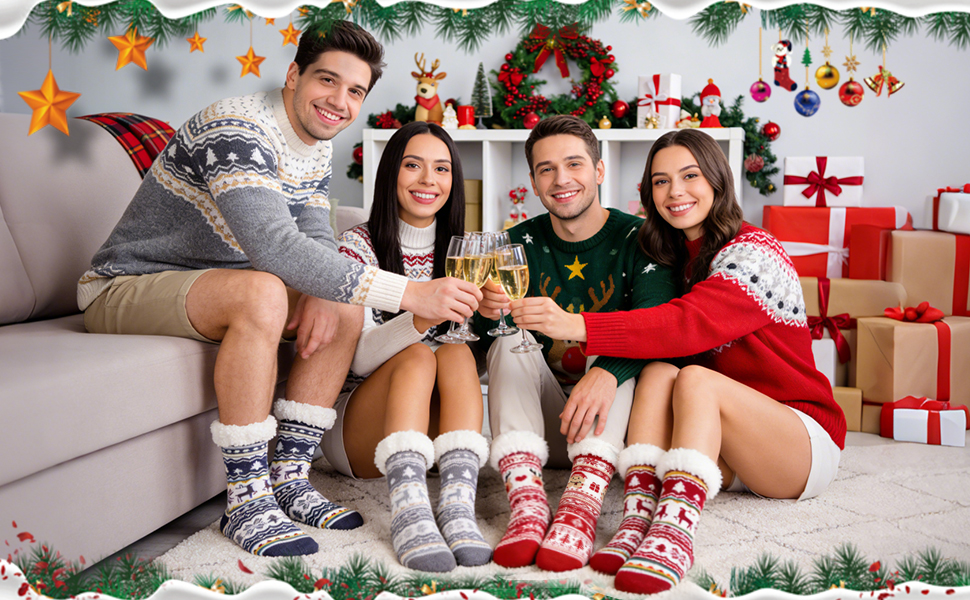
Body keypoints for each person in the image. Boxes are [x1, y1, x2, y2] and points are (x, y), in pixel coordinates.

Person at [77, 23, 482, 558]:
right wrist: (410, 294)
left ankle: (289, 476)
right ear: (294, 75)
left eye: (355, 92)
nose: (339, 102)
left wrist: (327, 287)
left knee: (338, 293)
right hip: (128, 284)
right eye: (327, 81)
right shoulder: (236, 128)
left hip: (216, 282)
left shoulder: (312, 144)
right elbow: (272, 247)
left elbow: (312, 239)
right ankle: (246, 498)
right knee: (265, 291)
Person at [510, 128, 845, 594]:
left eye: (690, 176)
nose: (675, 192)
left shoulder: (754, 252)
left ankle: (675, 533)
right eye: (661, 181)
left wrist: (577, 326)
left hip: (797, 439)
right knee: (663, 370)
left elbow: (686, 324)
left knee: (694, 380)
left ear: (717, 181)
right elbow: (663, 344)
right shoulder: (673, 255)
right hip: (721, 449)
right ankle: (639, 516)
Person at [475, 115, 677, 572]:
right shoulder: (514, 244)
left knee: (615, 343)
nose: (561, 179)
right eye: (546, 169)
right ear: (532, 181)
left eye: (574, 164)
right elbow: (476, 348)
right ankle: (527, 503)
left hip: (617, 424)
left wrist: (608, 371)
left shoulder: (642, 240)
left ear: (599, 171)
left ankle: (581, 505)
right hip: (544, 422)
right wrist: (485, 314)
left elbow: (659, 330)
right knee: (510, 343)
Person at [328, 121, 491, 572]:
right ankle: (408, 511)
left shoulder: (463, 251)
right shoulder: (356, 247)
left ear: (454, 182)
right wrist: (420, 317)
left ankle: (457, 506)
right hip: (359, 431)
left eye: (441, 169)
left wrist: (494, 316)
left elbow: (470, 360)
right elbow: (356, 357)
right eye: (413, 165)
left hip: (429, 434)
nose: (428, 180)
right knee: (418, 353)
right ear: (390, 175)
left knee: (457, 353)